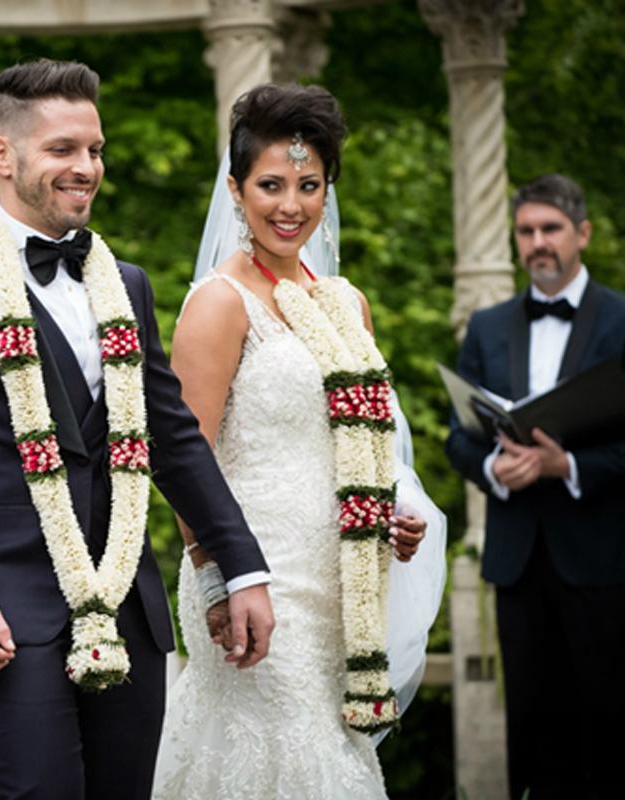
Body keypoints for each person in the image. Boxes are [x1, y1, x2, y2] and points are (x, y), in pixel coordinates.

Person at [0, 59, 276, 800]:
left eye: (94, 150)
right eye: (63, 149)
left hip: (127, 606)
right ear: (4, 154)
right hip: (4, 612)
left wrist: (241, 566)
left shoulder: (126, 284)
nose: (86, 167)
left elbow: (175, 437)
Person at [153, 83, 446, 799]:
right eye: (271, 185)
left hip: (339, 587)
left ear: (329, 188)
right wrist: (220, 574)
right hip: (254, 582)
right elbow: (182, 455)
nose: (291, 205)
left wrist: (388, 513)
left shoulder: (348, 304)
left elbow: (366, 442)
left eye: (308, 185)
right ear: (236, 188)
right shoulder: (220, 303)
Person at [445, 174, 625, 798]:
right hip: (519, 561)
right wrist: (495, 470)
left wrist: (565, 466)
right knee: (535, 740)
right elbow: (458, 438)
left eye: (550, 229)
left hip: (606, 560)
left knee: (615, 735)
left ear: (583, 233)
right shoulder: (487, 327)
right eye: (526, 231)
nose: (538, 242)